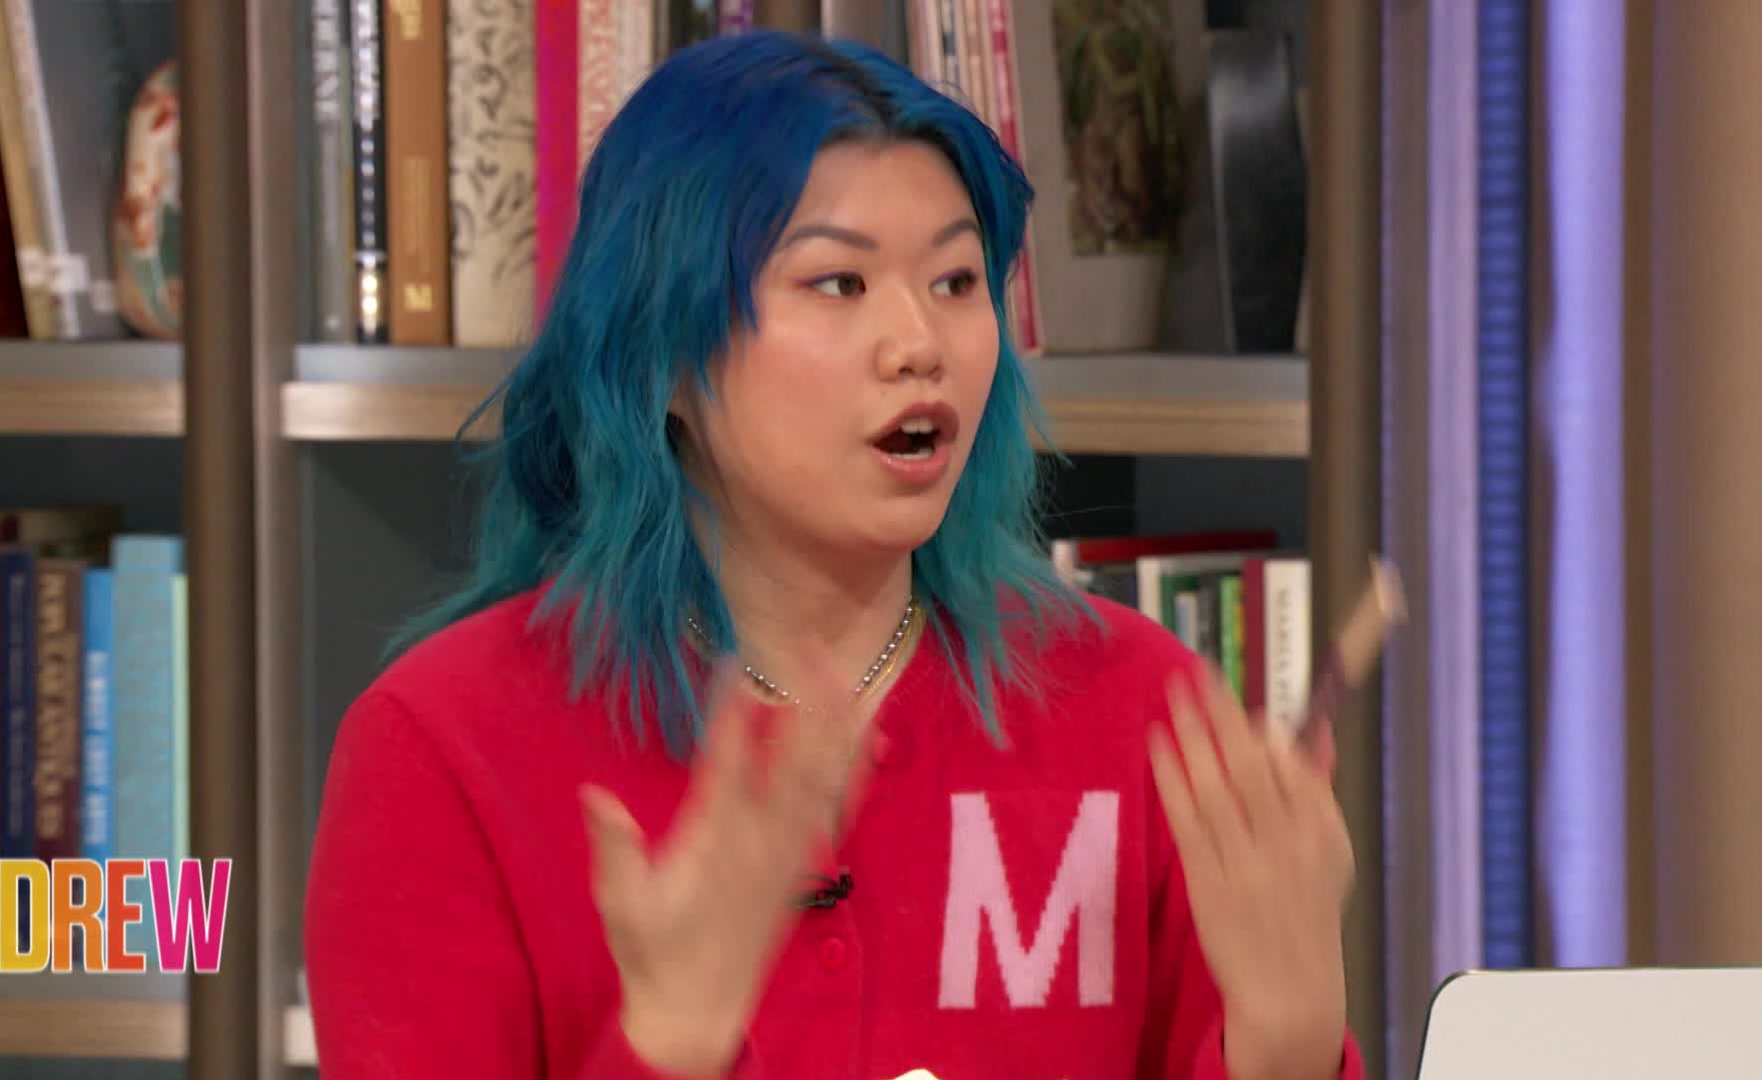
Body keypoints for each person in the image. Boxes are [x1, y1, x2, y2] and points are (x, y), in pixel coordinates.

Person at [303, 29, 1363, 1080]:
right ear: (664, 354)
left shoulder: (1140, 712)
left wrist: (1289, 1050)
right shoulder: (442, 752)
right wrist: (668, 1043)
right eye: (840, 284)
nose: (920, 344)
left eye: (956, 280)